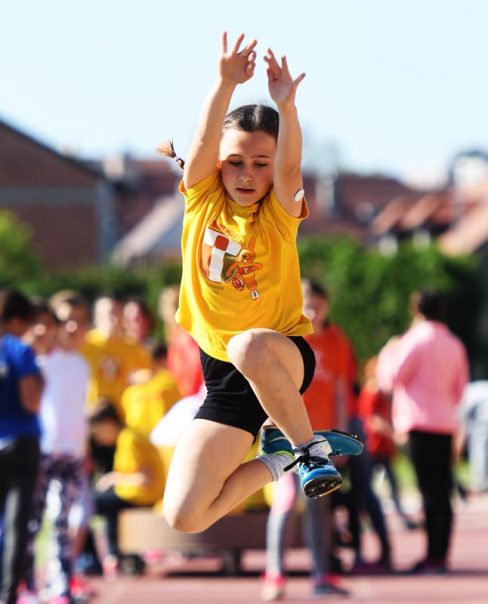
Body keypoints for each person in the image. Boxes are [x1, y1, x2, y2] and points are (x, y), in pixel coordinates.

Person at [158, 32, 360, 534]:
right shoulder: (202, 197)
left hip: (279, 357)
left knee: (247, 345)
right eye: (236, 162)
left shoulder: (279, 216)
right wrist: (225, 83)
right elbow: (202, 141)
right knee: (183, 515)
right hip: (225, 381)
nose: (246, 174)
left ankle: (309, 450)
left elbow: (290, 166)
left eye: (259, 164)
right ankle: (281, 458)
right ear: (218, 163)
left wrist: (286, 107)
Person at [261, 279, 350, 600]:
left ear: (327, 304)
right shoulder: (287, 337)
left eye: (317, 302)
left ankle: (320, 573)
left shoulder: (337, 341)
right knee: (285, 501)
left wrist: (340, 435)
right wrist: (268, 426)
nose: (312, 308)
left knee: (318, 504)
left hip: (319, 437)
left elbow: (340, 391)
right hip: (285, 434)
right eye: (306, 302)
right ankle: (274, 573)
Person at [376, 289, 469, 574]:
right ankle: (440, 554)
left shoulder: (414, 341)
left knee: (428, 490)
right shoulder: (454, 344)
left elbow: (391, 378)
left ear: (416, 310)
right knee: (442, 490)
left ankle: (432, 556)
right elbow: (460, 389)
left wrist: (389, 351)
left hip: (419, 423)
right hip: (445, 423)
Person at [21, 299, 90, 604]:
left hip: (71, 454)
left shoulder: (82, 364)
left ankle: (60, 585)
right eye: (65, 321)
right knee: (32, 521)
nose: (72, 327)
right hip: (43, 450)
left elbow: (79, 410)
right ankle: (26, 585)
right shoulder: (39, 362)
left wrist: (84, 450)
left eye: (79, 320)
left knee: (62, 522)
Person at [0, 289, 44, 604]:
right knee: (16, 524)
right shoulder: (19, 350)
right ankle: (7, 595)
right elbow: (31, 402)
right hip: (21, 441)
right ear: (18, 320)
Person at [88, 402, 164, 574]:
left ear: (108, 423)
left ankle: (102, 557)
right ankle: (118, 555)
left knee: (92, 503)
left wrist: (113, 478)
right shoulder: (127, 437)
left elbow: (145, 480)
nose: (98, 438)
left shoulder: (129, 439)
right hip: (137, 494)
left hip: (143, 496)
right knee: (108, 504)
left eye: (98, 431)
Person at [358, 355, 416, 530]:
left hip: (383, 446)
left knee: (391, 483)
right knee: (369, 486)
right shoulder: (371, 392)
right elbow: (372, 420)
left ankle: (401, 518)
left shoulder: (382, 393)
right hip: (372, 444)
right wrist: (392, 433)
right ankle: (367, 518)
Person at [458, 380, 488, 493]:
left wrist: (456, 454)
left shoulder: (461, 398)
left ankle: (480, 484)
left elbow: (461, 431)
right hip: (483, 409)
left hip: (485, 413)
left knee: (479, 446)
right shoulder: (469, 390)